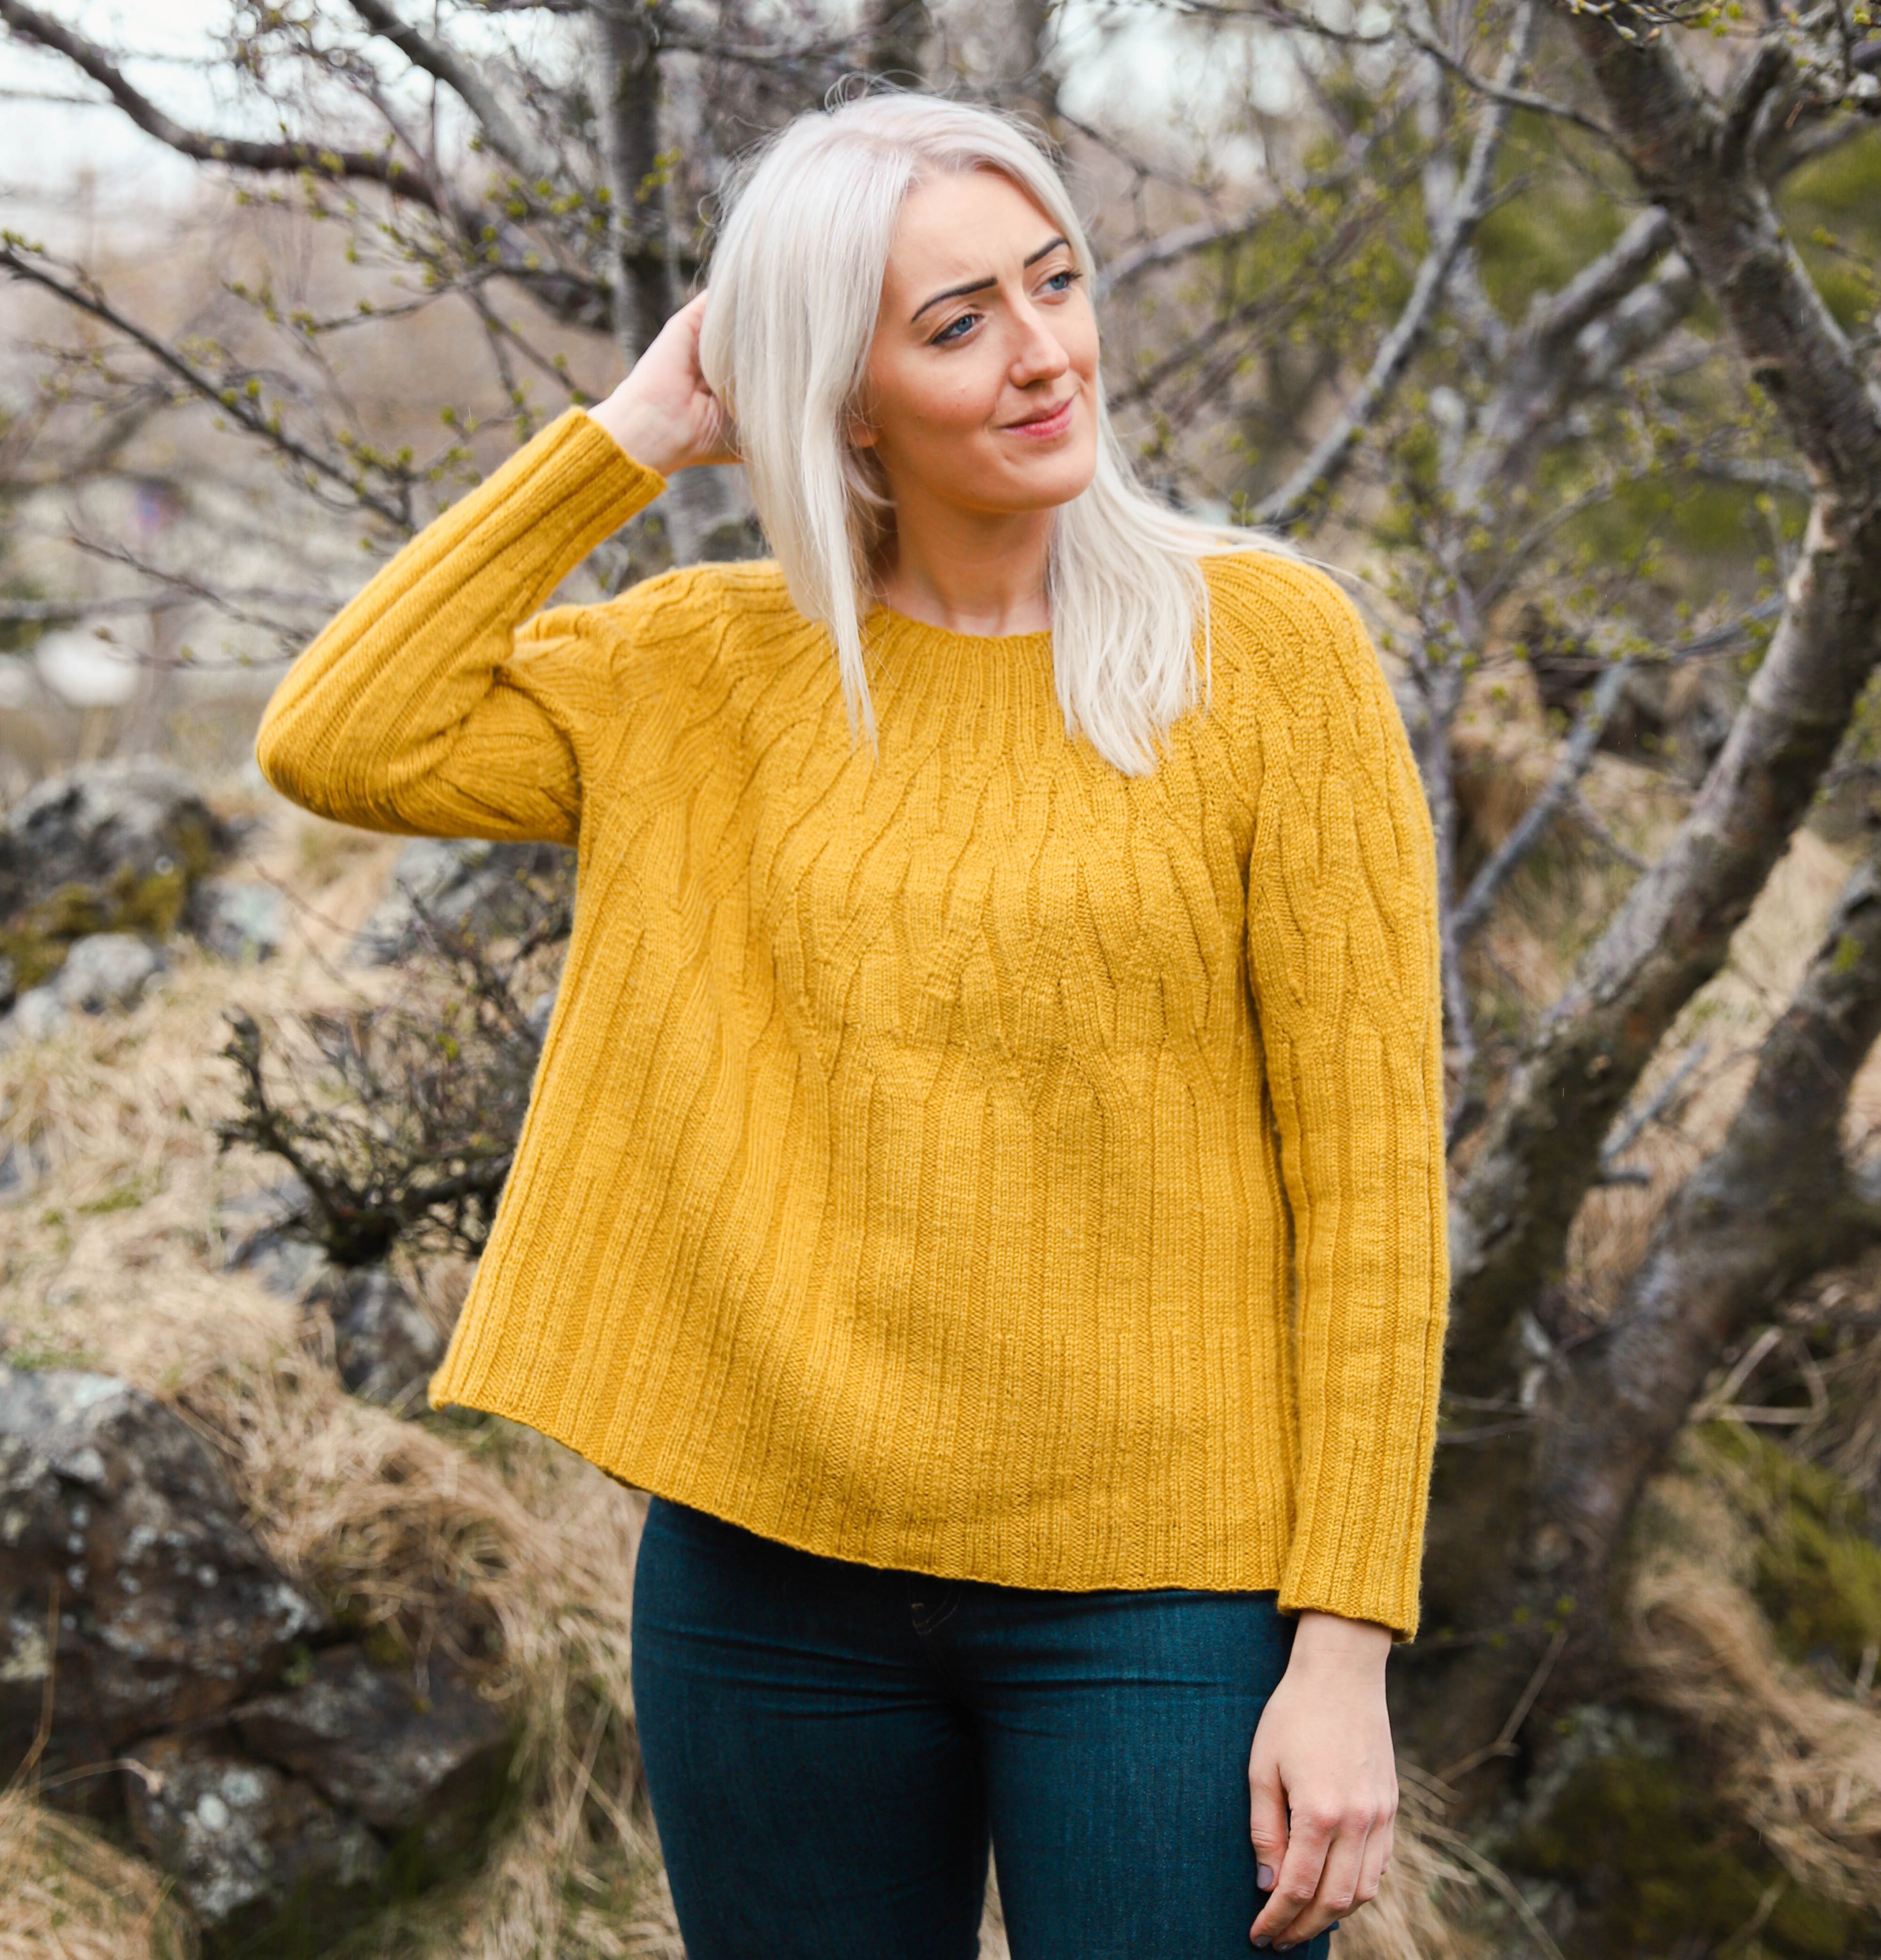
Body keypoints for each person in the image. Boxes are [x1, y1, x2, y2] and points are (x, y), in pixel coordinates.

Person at [254, 86, 1448, 1960]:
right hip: (765, 1583)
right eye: (956, 323)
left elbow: (1373, 1186)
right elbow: (340, 734)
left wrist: (1345, 1650)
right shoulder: (706, 668)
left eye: (1053, 281)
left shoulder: (1268, 652)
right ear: (843, 396)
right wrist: (637, 427)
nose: (1042, 352)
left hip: (1159, 1591)